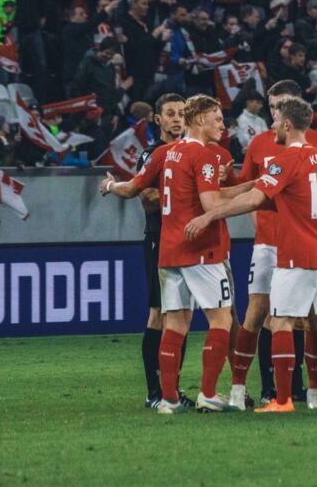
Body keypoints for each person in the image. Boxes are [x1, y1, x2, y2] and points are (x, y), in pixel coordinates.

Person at [185, 96, 317, 413]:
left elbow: (254, 199)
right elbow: (295, 199)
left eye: (275, 121)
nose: (272, 127)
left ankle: (282, 400)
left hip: (297, 253)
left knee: (281, 322)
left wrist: (209, 216)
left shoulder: (285, 160)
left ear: (287, 124)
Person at [100, 94, 236, 414]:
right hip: (199, 250)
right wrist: (261, 195)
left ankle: (169, 398)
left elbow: (131, 188)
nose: (222, 125)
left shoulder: (164, 153)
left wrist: (109, 187)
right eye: (217, 118)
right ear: (199, 119)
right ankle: (208, 393)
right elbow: (211, 204)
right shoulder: (203, 156)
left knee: (174, 323)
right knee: (222, 319)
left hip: (168, 250)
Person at [229, 80, 317, 410]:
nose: (275, 113)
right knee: (258, 313)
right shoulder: (259, 143)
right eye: (271, 107)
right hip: (268, 244)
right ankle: (251, 390)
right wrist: (257, 224)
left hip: (304, 245)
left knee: (308, 319)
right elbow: (247, 189)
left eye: (280, 106)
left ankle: (300, 390)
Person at [132, 94, 187, 409]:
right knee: (159, 313)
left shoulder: (191, 152)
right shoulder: (151, 155)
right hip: (159, 237)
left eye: (181, 113)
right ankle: (154, 392)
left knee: (181, 316)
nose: (177, 119)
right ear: (158, 119)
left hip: (187, 241)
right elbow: (147, 199)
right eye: (170, 114)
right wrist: (185, 193)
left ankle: (172, 390)